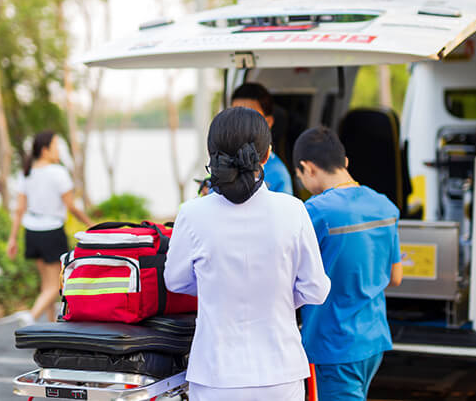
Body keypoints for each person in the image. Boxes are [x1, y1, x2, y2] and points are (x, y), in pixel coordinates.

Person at [164, 107, 331, 401]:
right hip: (281, 373)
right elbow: (316, 290)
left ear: (212, 154)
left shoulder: (191, 214)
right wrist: (279, 295)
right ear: (267, 155)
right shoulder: (293, 210)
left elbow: (176, 281)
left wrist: (216, 286)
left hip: (215, 375)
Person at [292, 126, 403, 401]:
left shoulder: (313, 212)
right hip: (373, 339)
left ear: (308, 168)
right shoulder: (384, 206)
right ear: (345, 162)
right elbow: (395, 276)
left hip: (335, 345)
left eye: (300, 176)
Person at [7, 131, 92, 324]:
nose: (58, 150)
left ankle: (51, 325)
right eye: (55, 146)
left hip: (32, 232)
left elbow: (19, 209)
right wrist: (91, 225)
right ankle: (31, 317)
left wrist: (12, 238)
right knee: (55, 285)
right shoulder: (58, 172)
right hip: (51, 232)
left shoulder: (27, 173)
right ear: (45, 150)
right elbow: (71, 207)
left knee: (46, 284)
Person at [231, 82, 294, 194]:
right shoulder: (222, 161)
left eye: (250, 117)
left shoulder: (278, 174)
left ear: (268, 122)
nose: (241, 123)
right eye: (235, 116)